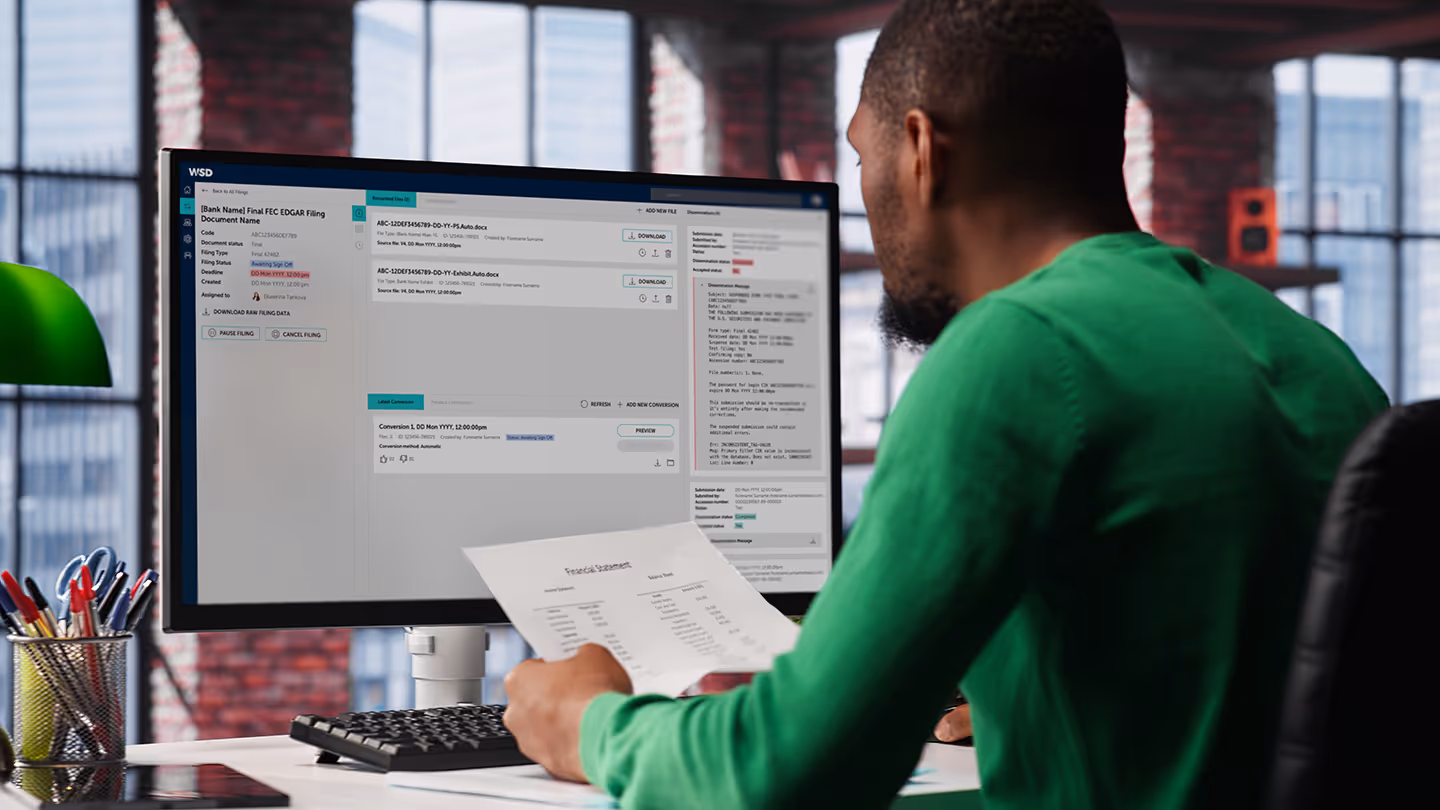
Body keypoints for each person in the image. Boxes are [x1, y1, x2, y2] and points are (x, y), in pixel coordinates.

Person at [499, 1, 1389, 807]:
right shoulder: (1311, 355)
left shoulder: (1019, 349)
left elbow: (782, 772)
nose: (865, 192)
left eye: (861, 155)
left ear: (922, 151)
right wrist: (965, 672)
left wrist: (588, 722)